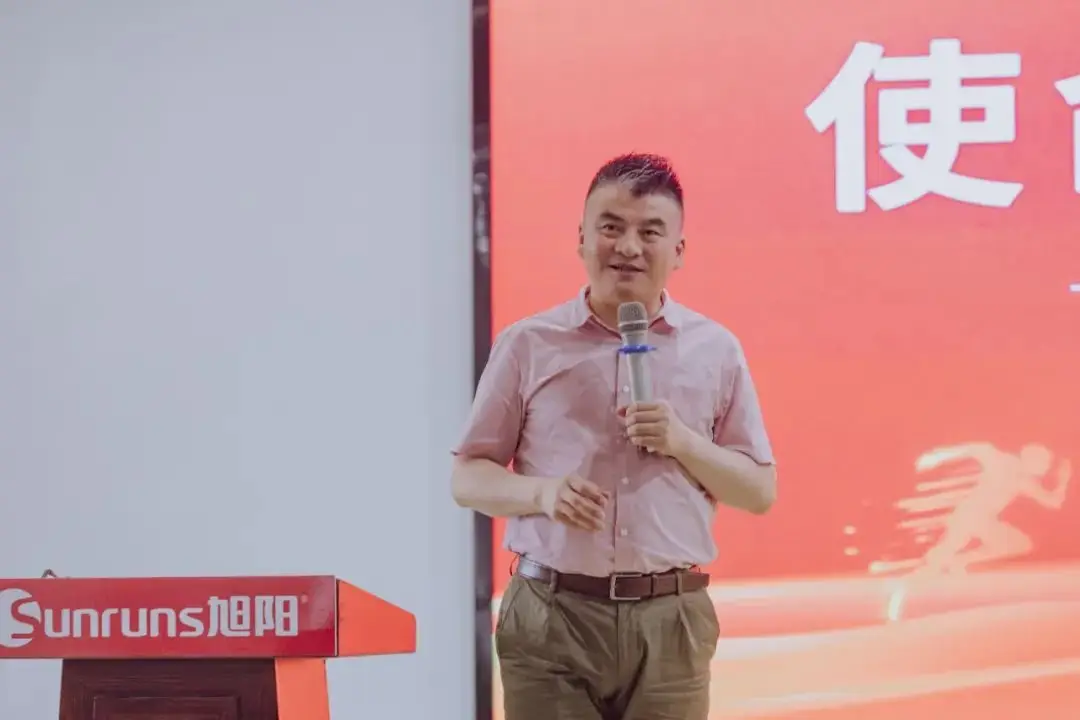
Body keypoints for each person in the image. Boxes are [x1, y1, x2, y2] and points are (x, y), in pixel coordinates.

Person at [452, 153, 776, 720]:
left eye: (650, 232)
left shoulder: (716, 349)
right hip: (552, 614)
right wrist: (542, 493)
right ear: (581, 238)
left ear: (679, 251)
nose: (628, 246)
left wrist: (683, 442)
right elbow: (468, 478)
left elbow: (758, 491)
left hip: (670, 620)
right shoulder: (528, 343)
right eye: (611, 227)